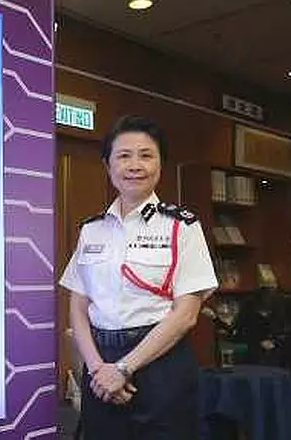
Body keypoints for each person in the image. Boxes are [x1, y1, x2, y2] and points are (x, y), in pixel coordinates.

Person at [58, 115, 218, 440]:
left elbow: (186, 315)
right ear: (108, 165)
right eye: (123, 156)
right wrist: (99, 369)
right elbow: (78, 305)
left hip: (161, 364)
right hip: (100, 364)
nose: (135, 165)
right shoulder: (92, 230)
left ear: (160, 164)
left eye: (146, 155)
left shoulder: (181, 227)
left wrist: (124, 368)